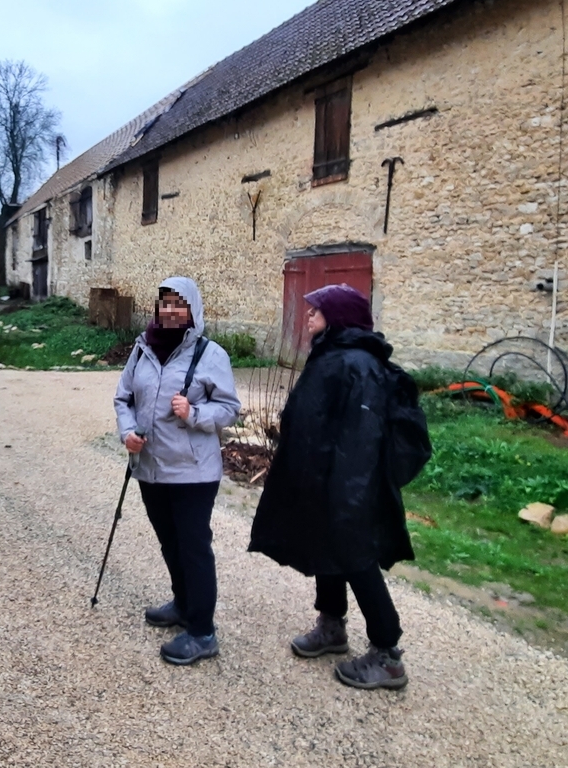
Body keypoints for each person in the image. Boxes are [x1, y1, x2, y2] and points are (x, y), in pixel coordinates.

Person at [247, 283, 431, 690]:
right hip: (322, 477)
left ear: (340, 316)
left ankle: (387, 655)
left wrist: (347, 493)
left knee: (355, 556)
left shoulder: (358, 365)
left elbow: (361, 436)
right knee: (325, 546)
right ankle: (332, 627)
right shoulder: (333, 354)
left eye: (317, 310)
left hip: (348, 483)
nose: (309, 316)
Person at [114, 277, 241, 665]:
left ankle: (202, 632)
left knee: (193, 547)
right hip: (150, 468)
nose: (170, 311)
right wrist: (127, 433)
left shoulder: (209, 354)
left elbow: (230, 408)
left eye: (179, 304)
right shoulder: (142, 348)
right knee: (169, 542)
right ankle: (183, 605)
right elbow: (123, 398)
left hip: (193, 472)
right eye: (165, 303)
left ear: (193, 310)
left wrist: (196, 413)